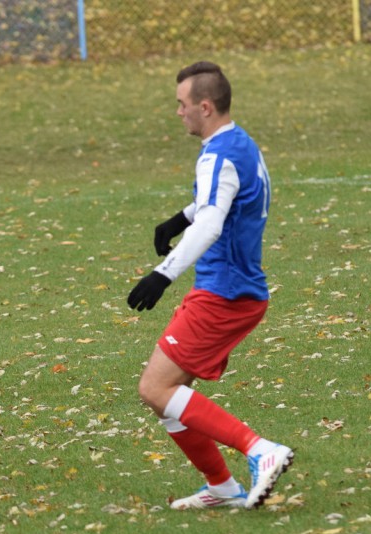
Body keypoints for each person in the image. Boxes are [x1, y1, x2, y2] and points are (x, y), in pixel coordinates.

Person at [126, 61, 292, 510]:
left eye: (182, 105)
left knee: (154, 389)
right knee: (166, 397)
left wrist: (163, 274)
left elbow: (214, 221)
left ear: (204, 106)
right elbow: (216, 198)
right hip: (232, 291)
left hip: (225, 294)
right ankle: (221, 488)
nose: (177, 113)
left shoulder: (217, 155)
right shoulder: (239, 143)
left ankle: (261, 450)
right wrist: (179, 219)